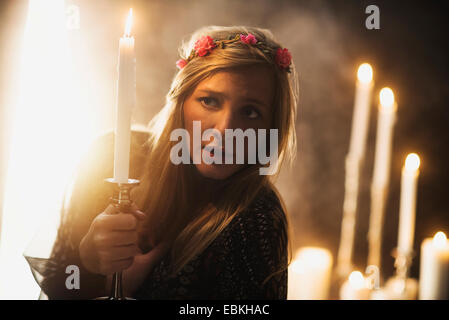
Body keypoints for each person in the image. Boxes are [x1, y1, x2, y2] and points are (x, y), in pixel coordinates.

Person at [27, 25, 299, 300]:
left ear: (271, 128)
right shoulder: (111, 157)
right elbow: (63, 286)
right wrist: (87, 265)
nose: (226, 130)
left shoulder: (258, 215)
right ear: (181, 99)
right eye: (210, 101)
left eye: (250, 112)